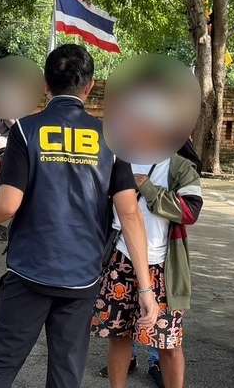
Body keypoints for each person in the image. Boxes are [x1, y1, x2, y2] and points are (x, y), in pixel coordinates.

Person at [0, 44, 159, 388]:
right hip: (80, 278)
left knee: (0, 369)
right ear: (89, 86)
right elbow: (130, 214)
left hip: (28, 271)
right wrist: (146, 289)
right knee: (66, 376)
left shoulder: (25, 130)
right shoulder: (112, 139)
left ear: (45, 84)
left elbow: (8, 204)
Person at [91, 153, 202, 388]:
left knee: (169, 342)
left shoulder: (180, 167)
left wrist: (147, 187)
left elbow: (190, 212)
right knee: (119, 337)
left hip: (162, 266)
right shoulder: (117, 158)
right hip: (120, 260)